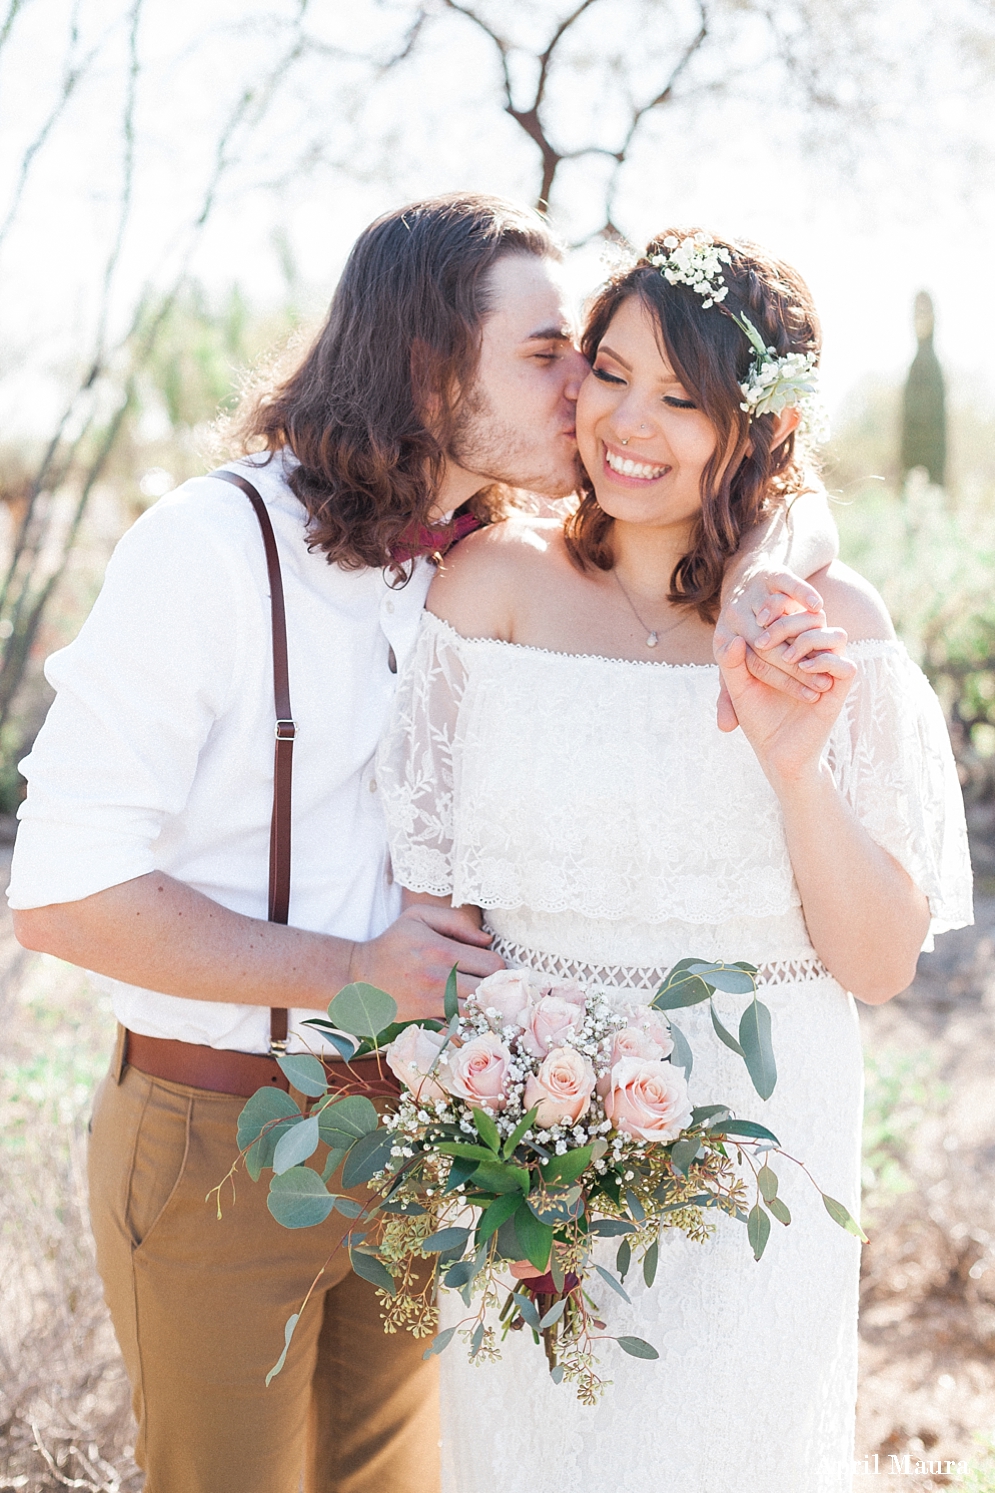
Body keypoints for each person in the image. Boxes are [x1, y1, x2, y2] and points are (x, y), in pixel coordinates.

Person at [8, 196, 836, 1493]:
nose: (587, 389)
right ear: (425, 364)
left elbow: (744, 503)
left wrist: (765, 568)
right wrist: (357, 970)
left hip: (427, 1145)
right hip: (222, 1133)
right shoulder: (208, 546)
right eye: (549, 352)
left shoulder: (479, 561)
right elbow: (59, 895)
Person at [376, 229, 974, 1493]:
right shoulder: (487, 588)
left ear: (759, 424)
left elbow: (871, 962)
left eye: (681, 397)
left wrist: (789, 759)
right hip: (525, 1130)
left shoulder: (832, 629)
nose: (623, 423)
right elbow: (431, 913)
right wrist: (495, 1125)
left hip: (757, 1142)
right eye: (608, 371)